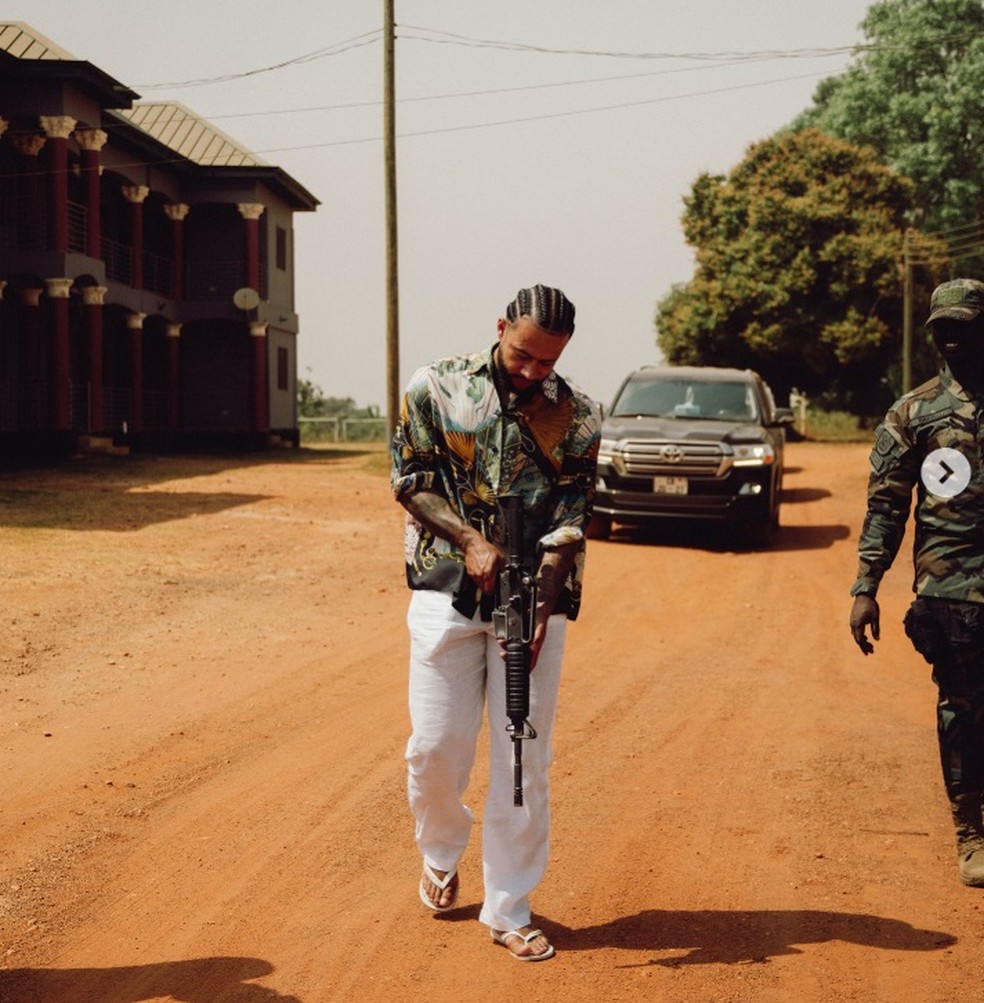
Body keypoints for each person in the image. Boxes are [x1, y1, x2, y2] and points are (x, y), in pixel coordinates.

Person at [390, 284, 600, 960]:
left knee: (523, 759)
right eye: (523, 355)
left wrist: (539, 608)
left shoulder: (579, 414)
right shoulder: (435, 387)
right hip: (446, 589)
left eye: (549, 361)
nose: (535, 372)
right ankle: (440, 851)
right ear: (501, 327)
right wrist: (470, 541)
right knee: (434, 747)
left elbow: (573, 519)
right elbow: (410, 478)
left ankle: (509, 904)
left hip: (532, 598)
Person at [850, 277, 984, 887]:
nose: (952, 339)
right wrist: (865, 586)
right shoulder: (915, 412)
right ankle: (970, 830)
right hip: (951, 590)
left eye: (964, 325)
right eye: (942, 329)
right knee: (961, 708)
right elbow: (886, 504)